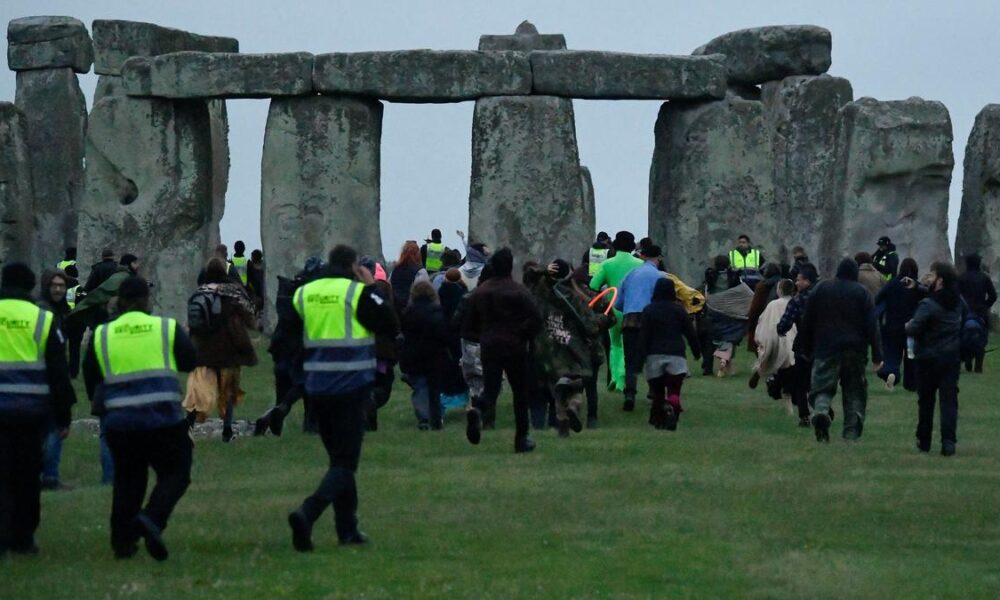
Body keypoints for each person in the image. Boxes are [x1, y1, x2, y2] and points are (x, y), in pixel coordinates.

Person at [286, 245, 398, 552]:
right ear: (353, 266)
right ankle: (307, 513)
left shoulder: (304, 294)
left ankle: (347, 528)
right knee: (346, 462)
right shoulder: (356, 293)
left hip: (317, 388)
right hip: (351, 386)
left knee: (339, 460)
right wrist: (373, 287)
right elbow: (390, 323)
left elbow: (287, 339)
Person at [82, 275, 197, 560]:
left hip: (121, 420)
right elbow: (190, 361)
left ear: (118, 301)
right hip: (163, 418)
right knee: (176, 472)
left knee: (128, 481)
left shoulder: (102, 333)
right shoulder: (165, 328)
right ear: (147, 300)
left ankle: (122, 542)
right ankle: (151, 518)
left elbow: (91, 376)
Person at [0, 263, 75, 557]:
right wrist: (64, 413)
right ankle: (22, 539)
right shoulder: (42, 319)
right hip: (30, 413)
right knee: (27, 477)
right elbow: (58, 371)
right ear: (32, 286)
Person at [461, 248, 543, 452]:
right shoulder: (519, 291)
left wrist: (483, 335)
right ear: (510, 266)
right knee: (520, 393)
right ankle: (521, 438)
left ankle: (478, 410)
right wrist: (523, 333)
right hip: (515, 345)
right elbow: (536, 319)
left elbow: (467, 325)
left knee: (491, 389)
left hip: (489, 345)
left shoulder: (480, 292)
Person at [799, 258, 883, 442]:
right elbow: (872, 326)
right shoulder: (863, 293)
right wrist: (877, 355)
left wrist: (804, 347)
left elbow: (807, 320)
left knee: (822, 387)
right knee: (854, 392)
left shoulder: (821, 288)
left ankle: (821, 411)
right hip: (855, 350)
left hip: (825, 347)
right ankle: (850, 434)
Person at [182, 258, 258, 443]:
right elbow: (250, 314)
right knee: (229, 390)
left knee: (199, 390)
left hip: (203, 347)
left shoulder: (200, 292)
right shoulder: (233, 291)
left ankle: (188, 424)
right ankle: (227, 430)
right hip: (228, 347)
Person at [529, 259, 605, 437]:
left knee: (558, 391)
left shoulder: (539, 296)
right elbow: (590, 325)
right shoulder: (572, 297)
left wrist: (542, 271)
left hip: (547, 351)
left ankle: (562, 423)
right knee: (576, 387)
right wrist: (606, 319)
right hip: (571, 349)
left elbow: (529, 278)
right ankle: (573, 406)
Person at [905, 262, 963, 456]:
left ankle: (924, 440)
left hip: (928, 358)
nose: (928, 278)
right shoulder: (957, 303)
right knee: (949, 400)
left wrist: (908, 325)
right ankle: (948, 441)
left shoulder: (928, 305)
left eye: (932, 275)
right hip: (950, 357)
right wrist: (918, 287)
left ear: (940, 281)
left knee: (926, 400)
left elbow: (914, 328)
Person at [639, 278, 701, 430]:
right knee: (674, 389)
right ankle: (672, 405)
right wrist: (696, 351)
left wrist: (639, 358)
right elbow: (690, 332)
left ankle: (660, 418)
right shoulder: (679, 310)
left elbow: (644, 336)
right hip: (676, 355)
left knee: (658, 392)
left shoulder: (649, 310)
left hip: (654, 356)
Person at [614, 244, 667, 411]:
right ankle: (653, 391)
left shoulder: (631, 274)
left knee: (630, 361)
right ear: (658, 258)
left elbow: (618, 302)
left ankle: (629, 393)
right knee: (653, 358)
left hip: (630, 319)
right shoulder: (661, 276)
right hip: (652, 320)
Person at [590, 231, 643, 393]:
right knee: (629, 345)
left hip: (613, 308)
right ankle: (622, 376)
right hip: (633, 310)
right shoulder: (640, 265)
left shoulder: (607, 264)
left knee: (615, 345)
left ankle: (614, 377)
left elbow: (593, 285)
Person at [37, 270, 73, 491]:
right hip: (45, 378)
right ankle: (49, 477)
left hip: (48, 377)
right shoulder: (45, 312)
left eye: (62, 286)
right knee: (52, 429)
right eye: (54, 285)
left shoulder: (59, 312)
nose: (58, 289)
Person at [399, 281, 450, 430]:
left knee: (420, 387)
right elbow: (443, 334)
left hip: (414, 355)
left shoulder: (408, 313)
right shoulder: (437, 312)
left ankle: (423, 417)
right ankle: (436, 418)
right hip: (435, 356)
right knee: (435, 389)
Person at [777, 262, 820, 427]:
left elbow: (785, 323)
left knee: (801, 383)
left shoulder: (798, 301)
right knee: (820, 379)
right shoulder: (824, 298)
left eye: (799, 280)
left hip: (803, 345)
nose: (796, 283)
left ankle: (804, 416)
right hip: (823, 345)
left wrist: (780, 330)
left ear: (807, 281)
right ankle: (823, 408)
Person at [359, 256, 397, 432]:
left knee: (367, 385)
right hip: (381, 349)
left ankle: (369, 421)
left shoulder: (352, 291)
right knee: (382, 383)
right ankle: (371, 408)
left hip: (360, 348)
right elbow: (391, 317)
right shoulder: (382, 289)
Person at [875, 258, 924, 391]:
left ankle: (891, 373)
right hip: (911, 326)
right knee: (910, 356)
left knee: (892, 354)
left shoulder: (892, 284)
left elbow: (878, 299)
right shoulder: (917, 286)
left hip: (892, 325)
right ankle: (911, 384)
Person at [751, 279, 797, 393]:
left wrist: (760, 337)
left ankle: (766, 374)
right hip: (792, 338)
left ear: (779, 290)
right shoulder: (796, 302)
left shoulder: (773, 305)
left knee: (769, 354)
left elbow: (763, 321)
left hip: (775, 338)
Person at [958, 253, 996, 373]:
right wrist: (985, 306)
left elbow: (956, 295)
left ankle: (967, 358)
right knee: (982, 339)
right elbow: (993, 296)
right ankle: (978, 366)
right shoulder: (984, 278)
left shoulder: (961, 278)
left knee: (963, 337)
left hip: (965, 314)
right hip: (981, 313)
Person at [389, 241, 427, 318]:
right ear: (418, 254)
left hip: (395, 310)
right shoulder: (420, 272)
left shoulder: (394, 271)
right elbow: (424, 293)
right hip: (413, 312)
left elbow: (389, 286)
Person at [247, 249, 266, 320]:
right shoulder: (263, 266)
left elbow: (249, 279)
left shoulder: (251, 266)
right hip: (259, 290)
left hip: (256, 290)